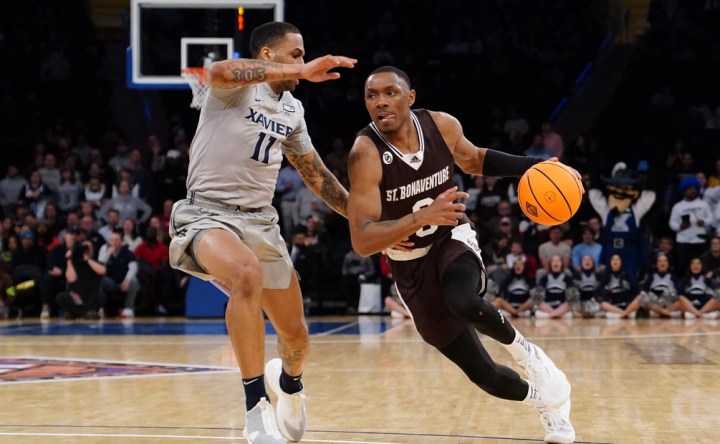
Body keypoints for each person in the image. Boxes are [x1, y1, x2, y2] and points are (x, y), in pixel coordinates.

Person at [346, 66, 575, 443]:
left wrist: (538, 166)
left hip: (452, 237)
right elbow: (362, 240)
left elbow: (475, 159)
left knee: (463, 299)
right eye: (372, 96)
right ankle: (548, 404)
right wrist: (417, 217)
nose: (381, 102)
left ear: (411, 97)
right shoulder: (365, 153)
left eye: (390, 93)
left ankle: (527, 353)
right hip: (410, 267)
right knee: (485, 376)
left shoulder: (441, 126)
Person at [167, 21, 356, 444]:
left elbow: (317, 176)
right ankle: (256, 410)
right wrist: (302, 73)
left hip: (261, 223)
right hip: (206, 214)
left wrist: (364, 222)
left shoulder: (292, 111)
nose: (303, 63)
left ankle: (289, 385)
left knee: (297, 336)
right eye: (296, 54)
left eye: (304, 56)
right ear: (267, 56)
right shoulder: (235, 88)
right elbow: (217, 72)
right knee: (245, 274)